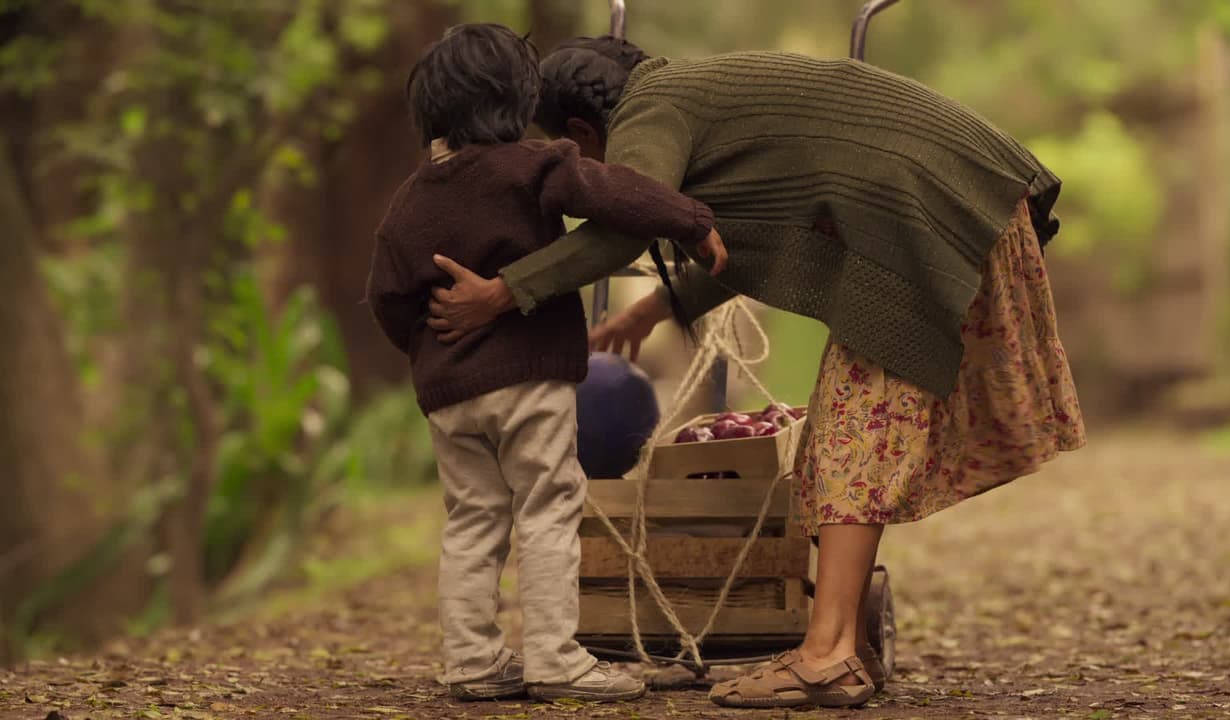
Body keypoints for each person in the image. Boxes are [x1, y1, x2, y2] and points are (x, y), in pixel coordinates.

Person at [424, 35, 1088, 710]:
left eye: (587, 163)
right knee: (851, 433)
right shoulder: (690, 96)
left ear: (580, 131)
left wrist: (503, 292)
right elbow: (733, 241)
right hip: (952, 199)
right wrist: (655, 308)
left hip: (923, 214)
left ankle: (827, 656)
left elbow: (626, 222)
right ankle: (837, 649)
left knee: (850, 439)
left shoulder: (651, 110)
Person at [364, 24, 726, 704]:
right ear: (514, 101)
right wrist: (690, 217)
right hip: (526, 377)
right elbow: (616, 192)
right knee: (548, 507)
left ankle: (471, 661)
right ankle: (554, 657)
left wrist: (426, 351)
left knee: (472, 519)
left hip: (448, 392)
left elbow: (386, 296)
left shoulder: (409, 200)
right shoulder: (532, 166)